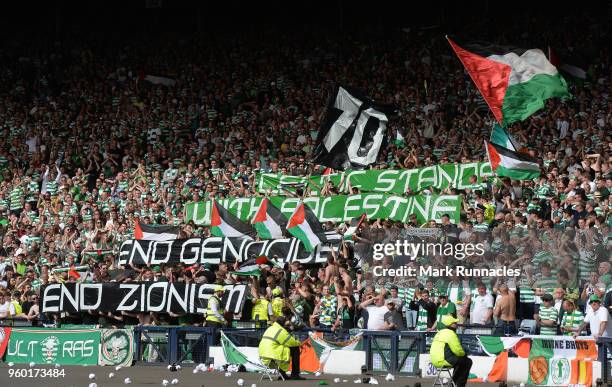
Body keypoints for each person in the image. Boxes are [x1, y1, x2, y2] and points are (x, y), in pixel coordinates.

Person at [430, 315, 473, 387]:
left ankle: (453, 383)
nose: (456, 324)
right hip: (443, 360)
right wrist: (464, 353)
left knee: (461, 361)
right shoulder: (451, 334)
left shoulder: (439, 332)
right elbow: (458, 351)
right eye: (455, 323)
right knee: (467, 361)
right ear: (450, 324)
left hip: (435, 360)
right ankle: (458, 385)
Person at [258, 316, 304, 380]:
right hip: (271, 353)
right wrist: (299, 343)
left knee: (285, 348)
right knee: (295, 348)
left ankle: (282, 374)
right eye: (287, 324)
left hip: (262, 353)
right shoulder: (281, 331)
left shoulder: (270, 328)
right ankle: (295, 374)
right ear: (283, 324)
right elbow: (293, 343)